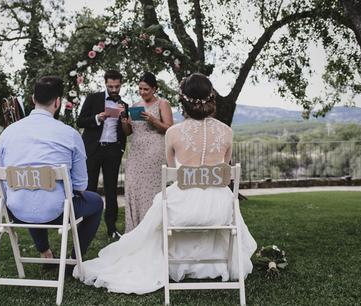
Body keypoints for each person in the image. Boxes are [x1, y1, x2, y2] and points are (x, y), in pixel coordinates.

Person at [74, 73, 257, 294]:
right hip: (220, 210)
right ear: (211, 99)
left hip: (182, 212)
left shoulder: (173, 132)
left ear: (184, 101)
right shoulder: (227, 131)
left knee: (162, 204)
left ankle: (170, 257)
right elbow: (223, 173)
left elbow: (173, 171)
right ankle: (209, 258)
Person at [0, 76, 103, 272]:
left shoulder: (8, 134)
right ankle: (72, 261)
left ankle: (45, 252)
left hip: (17, 211)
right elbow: (80, 185)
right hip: (57, 213)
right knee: (96, 202)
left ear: (32, 99)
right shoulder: (70, 134)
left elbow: (4, 183)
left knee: (28, 191)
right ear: (58, 102)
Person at [77, 70, 129, 239]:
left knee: (111, 190)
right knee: (89, 188)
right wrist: (98, 118)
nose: (114, 89)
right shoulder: (93, 98)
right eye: (110, 86)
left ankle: (112, 228)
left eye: (117, 86)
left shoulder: (124, 104)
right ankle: (86, 225)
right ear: (105, 83)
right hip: (93, 149)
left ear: (121, 84)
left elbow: (126, 131)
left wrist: (123, 118)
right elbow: (80, 121)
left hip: (113, 150)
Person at [121, 72, 173, 232]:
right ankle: (135, 230)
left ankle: (152, 229)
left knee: (151, 191)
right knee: (133, 188)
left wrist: (153, 120)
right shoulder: (135, 105)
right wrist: (125, 122)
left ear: (155, 89)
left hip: (155, 151)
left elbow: (170, 128)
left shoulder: (162, 104)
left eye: (146, 89)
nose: (143, 92)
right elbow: (128, 132)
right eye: (140, 89)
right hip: (136, 151)